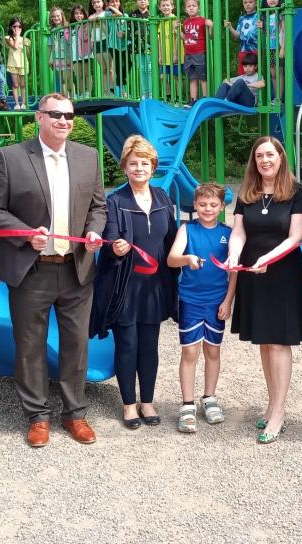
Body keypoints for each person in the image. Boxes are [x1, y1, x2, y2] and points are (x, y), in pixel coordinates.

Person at [0, 93, 106, 448]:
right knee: (30, 345)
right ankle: (37, 416)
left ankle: (75, 413)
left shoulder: (88, 157)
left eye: (69, 115)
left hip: (76, 269)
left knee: (75, 345)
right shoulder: (11, 157)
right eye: (55, 115)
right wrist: (24, 235)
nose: (64, 121)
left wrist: (94, 231)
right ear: (39, 118)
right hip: (32, 269)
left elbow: (98, 208)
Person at [226, 136, 302, 444]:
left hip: (282, 274)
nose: (265, 159)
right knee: (264, 343)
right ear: (254, 161)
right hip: (253, 274)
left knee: (278, 343)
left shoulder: (295, 192)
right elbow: (238, 231)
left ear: (281, 158)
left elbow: (294, 237)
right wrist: (234, 255)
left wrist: (268, 257)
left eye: (270, 154)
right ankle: (271, 403)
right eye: (259, 155)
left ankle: (279, 412)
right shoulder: (248, 193)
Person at [90, 135, 179, 429]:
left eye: (144, 163)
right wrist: (114, 248)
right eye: (133, 164)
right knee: (127, 345)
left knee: (150, 347)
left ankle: (148, 401)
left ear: (153, 167)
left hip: (154, 287)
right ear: (125, 167)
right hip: (125, 287)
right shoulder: (115, 201)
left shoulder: (164, 198)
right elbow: (110, 237)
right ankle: (129, 404)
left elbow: (173, 239)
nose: (139, 168)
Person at [167, 183, 236, 433]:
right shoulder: (187, 229)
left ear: (221, 206)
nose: (208, 209)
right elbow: (171, 259)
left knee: (213, 352)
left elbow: (234, 271)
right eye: (203, 204)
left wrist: (228, 300)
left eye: (213, 205)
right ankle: (187, 405)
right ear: (195, 205)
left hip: (217, 301)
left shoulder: (229, 233)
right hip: (190, 300)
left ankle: (209, 398)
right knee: (189, 353)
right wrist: (187, 259)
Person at [177, 0, 213, 106]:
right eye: (189, 6)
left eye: (194, 6)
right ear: (185, 9)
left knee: (202, 77)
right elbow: (185, 38)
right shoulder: (186, 22)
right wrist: (176, 29)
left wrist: (211, 26)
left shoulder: (203, 21)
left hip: (199, 53)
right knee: (192, 78)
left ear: (198, 8)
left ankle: (206, 98)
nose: (191, 8)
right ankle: (193, 99)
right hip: (188, 54)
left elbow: (211, 37)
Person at [257, 0, 285, 101]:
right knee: (273, 74)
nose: (272, 0)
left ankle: (280, 98)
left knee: (279, 72)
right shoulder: (265, 15)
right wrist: (262, 26)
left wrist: (283, 49)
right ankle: (276, 97)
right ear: (265, 1)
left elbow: (285, 32)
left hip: (278, 47)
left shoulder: (281, 14)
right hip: (270, 48)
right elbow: (267, 33)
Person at [223, 0, 258, 75]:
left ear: (256, 3)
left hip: (254, 50)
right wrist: (230, 27)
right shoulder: (242, 18)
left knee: (254, 76)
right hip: (243, 50)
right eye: (245, 2)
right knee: (242, 75)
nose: (248, 4)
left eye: (250, 2)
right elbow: (238, 35)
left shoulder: (259, 15)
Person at [156, 0, 181, 98]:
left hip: (174, 53)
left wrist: (176, 54)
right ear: (159, 7)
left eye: (168, 5)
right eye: (163, 5)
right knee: (163, 76)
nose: (166, 7)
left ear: (172, 7)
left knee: (176, 76)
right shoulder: (161, 22)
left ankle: (179, 98)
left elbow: (177, 39)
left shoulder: (175, 20)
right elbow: (160, 40)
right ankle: (169, 97)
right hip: (165, 54)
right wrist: (160, 55)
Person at [129, 0, 153, 98]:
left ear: (148, 1)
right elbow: (128, 29)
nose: (142, 1)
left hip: (150, 46)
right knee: (142, 69)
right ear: (136, 1)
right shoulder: (132, 15)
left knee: (150, 69)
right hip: (137, 46)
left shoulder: (152, 14)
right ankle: (144, 93)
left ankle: (152, 92)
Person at [4, 17, 30, 110]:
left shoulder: (25, 39)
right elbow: (15, 47)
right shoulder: (8, 38)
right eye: (15, 26)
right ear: (11, 27)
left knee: (23, 85)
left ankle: (23, 103)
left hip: (23, 63)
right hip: (13, 63)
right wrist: (18, 36)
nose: (17, 28)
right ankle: (16, 104)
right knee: (15, 85)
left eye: (19, 26)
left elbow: (28, 53)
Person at [105, 0, 130, 89]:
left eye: (117, 1)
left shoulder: (126, 15)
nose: (115, 3)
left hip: (125, 44)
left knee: (128, 64)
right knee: (119, 66)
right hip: (114, 44)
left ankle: (121, 83)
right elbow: (119, 14)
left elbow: (127, 28)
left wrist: (123, 34)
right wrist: (110, 7)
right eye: (112, 1)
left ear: (120, 3)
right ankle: (121, 90)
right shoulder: (108, 14)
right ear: (108, 4)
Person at [86, 0, 110, 91]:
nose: (97, 4)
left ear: (103, 2)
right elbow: (88, 32)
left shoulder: (106, 13)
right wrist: (92, 21)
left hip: (106, 41)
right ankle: (106, 92)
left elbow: (107, 31)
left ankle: (113, 91)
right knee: (103, 69)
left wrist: (99, 21)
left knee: (110, 68)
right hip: (96, 43)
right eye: (94, 3)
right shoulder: (91, 16)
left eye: (98, 2)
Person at [47, 6, 71, 95]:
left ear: (62, 16)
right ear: (52, 18)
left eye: (58, 16)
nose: (56, 18)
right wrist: (50, 59)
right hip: (57, 58)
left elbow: (71, 42)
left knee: (68, 79)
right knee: (62, 81)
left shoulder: (67, 27)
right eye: (54, 16)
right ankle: (65, 98)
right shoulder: (52, 31)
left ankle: (73, 99)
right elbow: (51, 45)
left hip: (67, 56)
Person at [69, 4, 92, 97]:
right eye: (76, 14)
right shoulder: (72, 27)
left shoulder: (87, 24)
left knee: (87, 73)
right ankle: (82, 93)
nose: (79, 16)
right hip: (75, 54)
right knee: (79, 75)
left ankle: (88, 92)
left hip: (86, 53)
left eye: (81, 13)